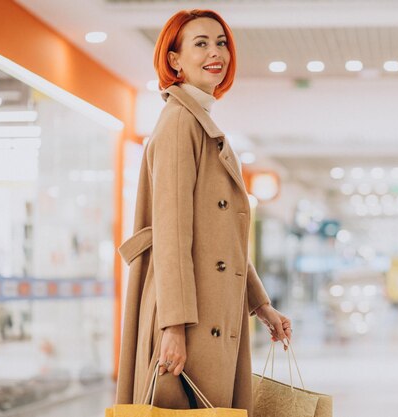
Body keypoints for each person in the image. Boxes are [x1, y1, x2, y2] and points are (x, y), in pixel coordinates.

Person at [114, 9, 292, 415]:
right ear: (174, 60)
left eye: (221, 42)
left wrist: (261, 305)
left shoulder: (200, 123)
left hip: (207, 310)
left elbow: (222, 236)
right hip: (187, 319)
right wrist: (172, 327)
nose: (217, 52)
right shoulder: (179, 123)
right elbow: (173, 233)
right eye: (201, 43)